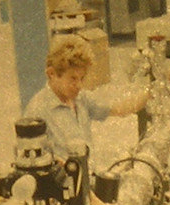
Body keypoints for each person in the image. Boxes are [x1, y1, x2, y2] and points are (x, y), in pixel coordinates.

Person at [24, 35, 147, 163]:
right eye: (72, 78)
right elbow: (32, 164)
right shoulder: (36, 111)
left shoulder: (80, 98)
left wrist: (151, 92)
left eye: (81, 78)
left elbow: (119, 109)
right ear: (51, 74)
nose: (79, 85)